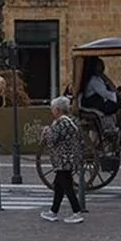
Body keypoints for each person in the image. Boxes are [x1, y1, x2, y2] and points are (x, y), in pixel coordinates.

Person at [39, 96, 85, 224]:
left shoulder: (62, 123)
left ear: (58, 110)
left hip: (64, 159)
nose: (52, 111)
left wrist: (47, 130)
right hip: (67, 158)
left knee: (66, 185)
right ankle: (53, 211)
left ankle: (76, 211)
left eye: (53, 109)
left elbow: (53, 139)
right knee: (59, 185)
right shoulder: (70, 121)